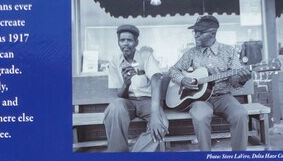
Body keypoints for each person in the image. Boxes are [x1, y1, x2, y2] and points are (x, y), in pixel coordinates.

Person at [166, 14, 253, 152]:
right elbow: (173, 70)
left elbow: (234, 82)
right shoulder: (192, 53)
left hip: (223, 97)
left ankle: (239, 157)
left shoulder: (229, 51)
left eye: (199, 32)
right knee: (200, 116)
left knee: (240, 114)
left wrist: (242, 79)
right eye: (195, 32)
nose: (195, 35)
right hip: (199, 100)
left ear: (212, 33)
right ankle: (206, 158)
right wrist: (183, 80)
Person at [101, 23, 160, 151]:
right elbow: (120, 95)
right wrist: (126, 84)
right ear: (118, 42)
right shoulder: (115, 61)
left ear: (136, 42)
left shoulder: (146, 56)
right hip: (128, 102)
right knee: (115, 108)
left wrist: (155, 113)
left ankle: (135, 156)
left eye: (129, 40)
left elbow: (156, 80)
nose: (125, 43)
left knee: (160, 124)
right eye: (122, 40)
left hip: (147, 101)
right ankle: (118, 154)